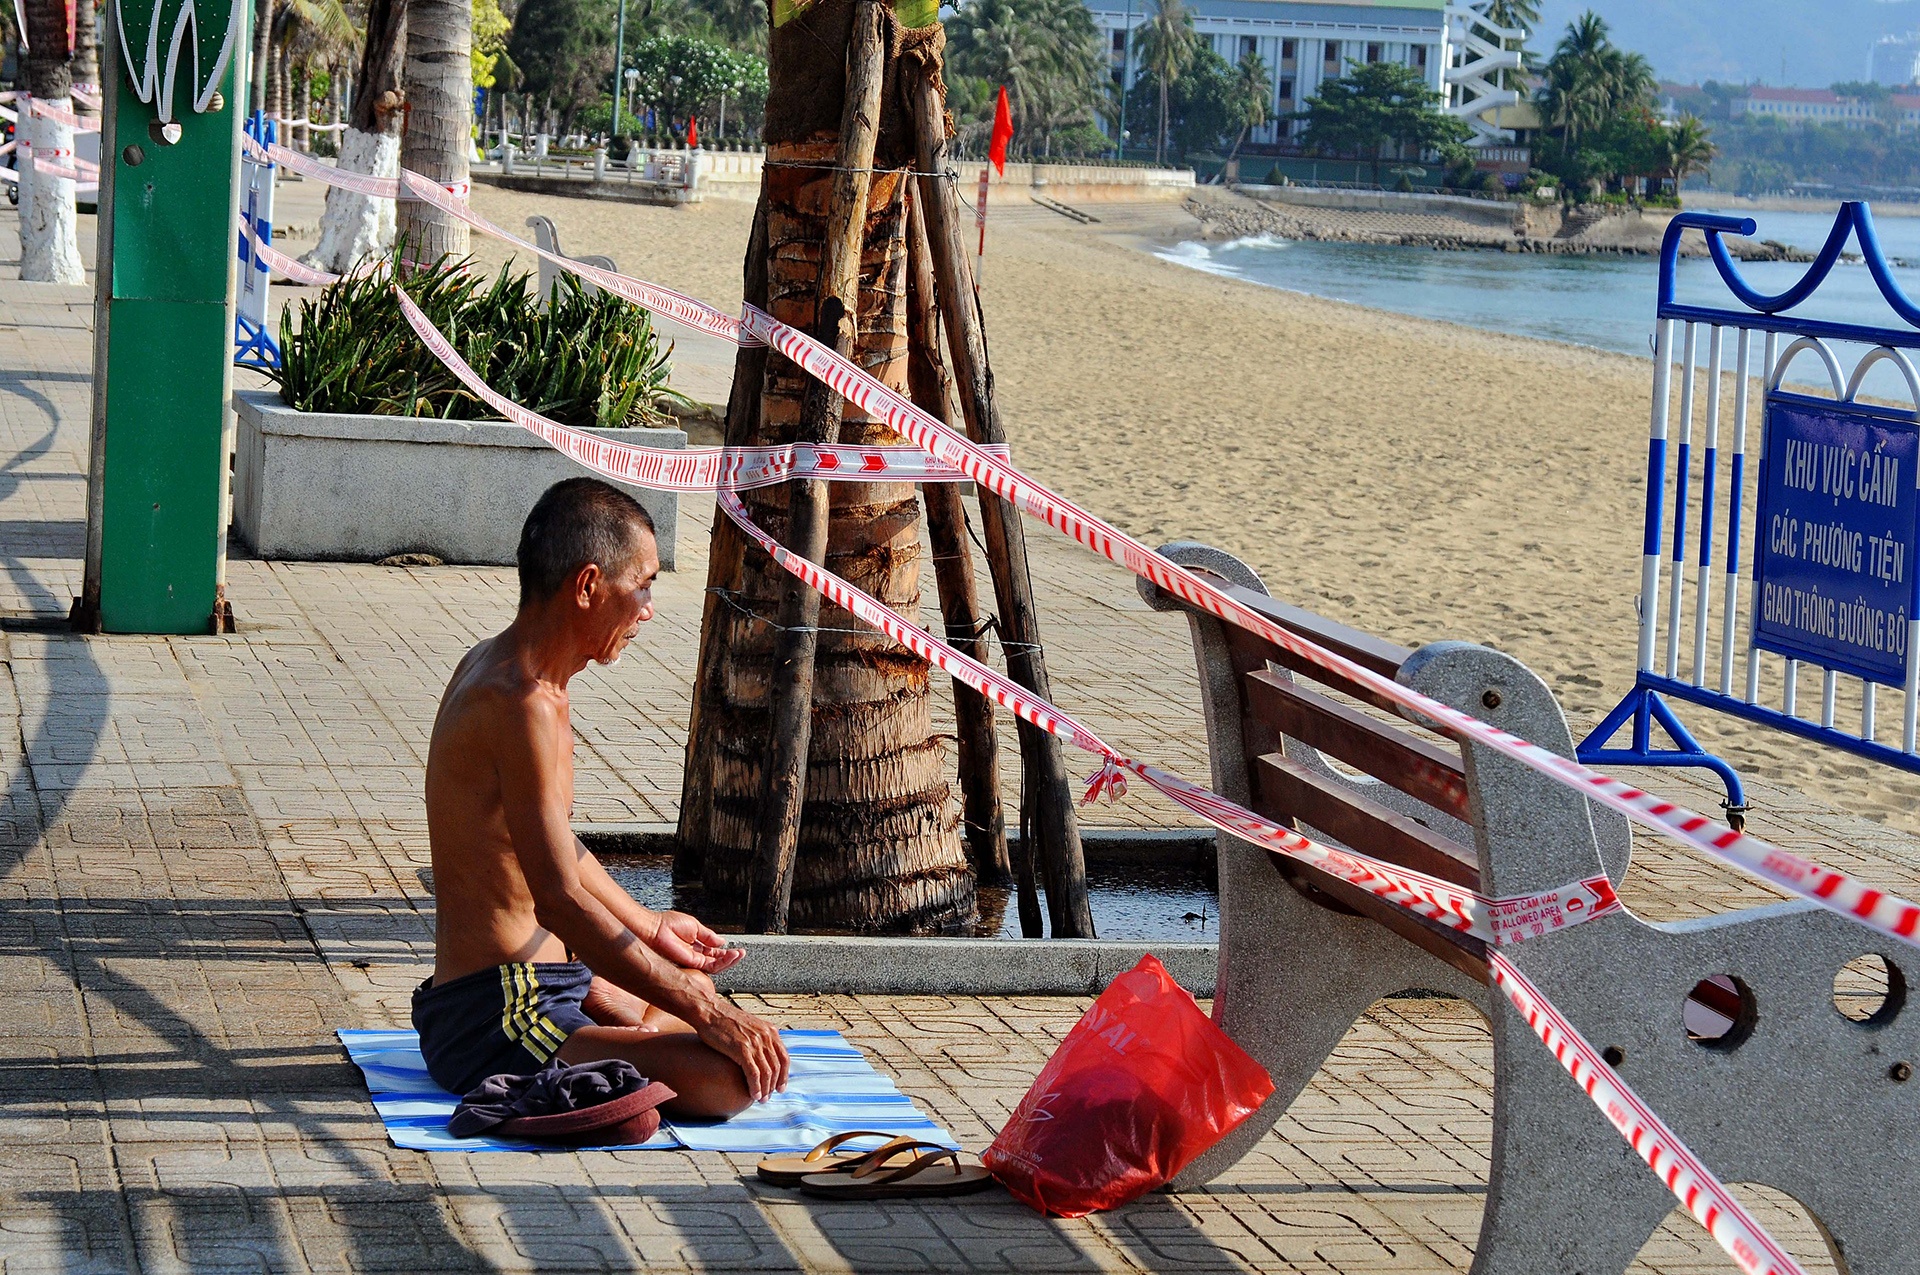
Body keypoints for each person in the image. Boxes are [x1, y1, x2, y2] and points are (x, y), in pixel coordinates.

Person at [413, 477, 789, 1118]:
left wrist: (651, 926)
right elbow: (558, 899)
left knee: (686, 982)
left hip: (549, 986)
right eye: (641, 585)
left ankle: (632, 1033)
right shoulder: (518, 702)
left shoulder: (528, 676)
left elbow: (553, 840)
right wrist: (707, 1013)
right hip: (496, 1015)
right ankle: (629, 1041)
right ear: (587, 586)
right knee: (727, 1079)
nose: (647, 609)